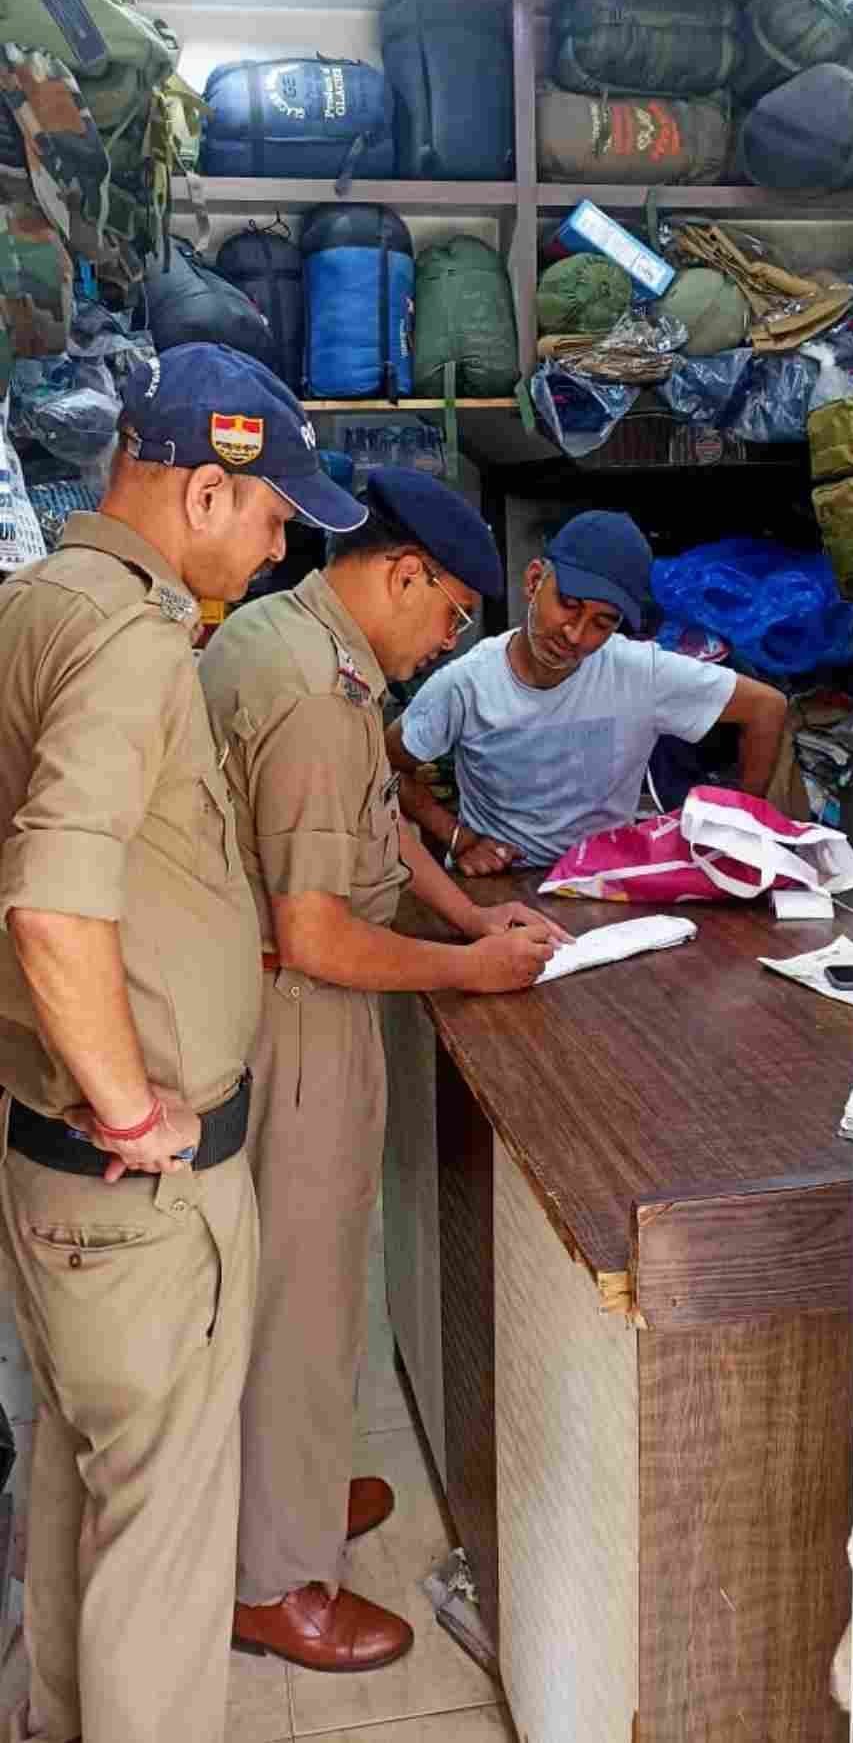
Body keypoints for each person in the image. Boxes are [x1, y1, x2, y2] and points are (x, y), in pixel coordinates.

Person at [0, 342, 365, 1743]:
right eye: (273, 515)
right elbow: (50, 901)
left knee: (82, 1481)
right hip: (135, 1186)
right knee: (163, 1546)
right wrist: (133, 1108)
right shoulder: (133, 642)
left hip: (48, 1163)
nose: (279, 549)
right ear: (205, 491)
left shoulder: (35, 604)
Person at [199, 467, 565, 1675]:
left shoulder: (310, 644)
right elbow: (312, 932)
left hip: (289, 1006)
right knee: (300, 1306)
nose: (452, 638)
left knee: (299, 1291)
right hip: (294, 1013)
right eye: (453, 611)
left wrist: (472, 918)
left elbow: (382, 827)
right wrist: (471, 972)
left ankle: (288, 1491)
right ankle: (275, 1581)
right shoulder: (314, 691)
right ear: (405, 573)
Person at [386, 510, 788, 875]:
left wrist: (732, 833)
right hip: (498, 881)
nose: (576, 635)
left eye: (603, 623)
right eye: (568, 604)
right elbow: (385, 764)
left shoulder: (641, 672)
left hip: (605, 882)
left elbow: (766, 708)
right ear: (533, 581)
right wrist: (459, 838)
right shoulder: (467, 683)